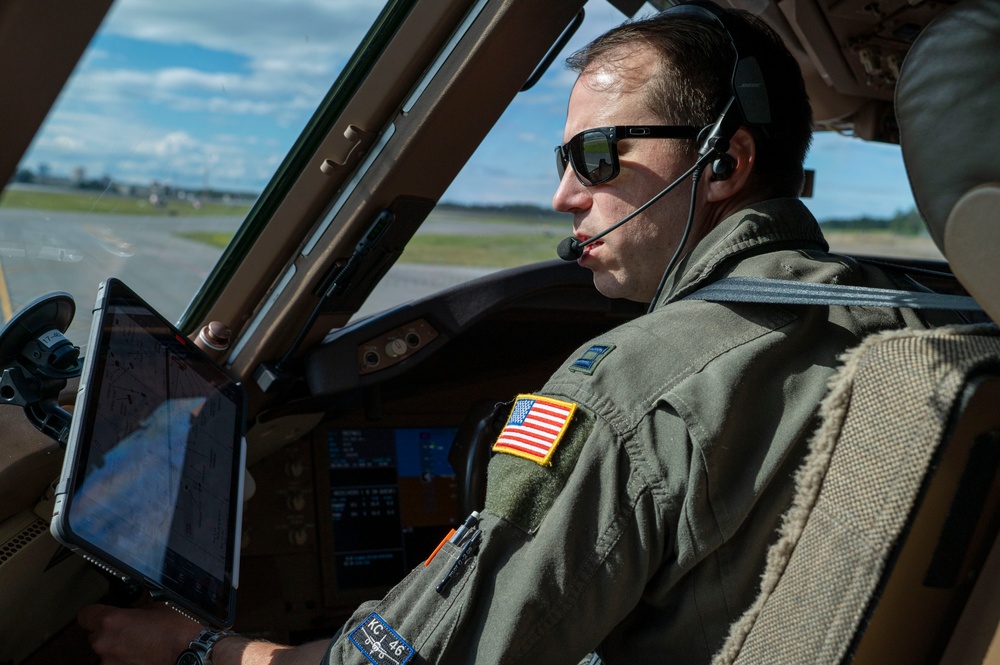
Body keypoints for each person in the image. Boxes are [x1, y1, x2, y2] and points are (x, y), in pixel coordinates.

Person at [78, 2, 939, 663]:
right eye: (562, 162)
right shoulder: (913, 314)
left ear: (726, 164)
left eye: (597, 157)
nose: (566, 195)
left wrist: (198, 648)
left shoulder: (631, 388)